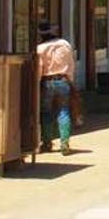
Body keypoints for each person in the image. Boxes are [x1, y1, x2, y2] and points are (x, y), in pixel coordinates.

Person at [36, 23, 75, 154]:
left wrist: (37, 82)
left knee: (46, 112)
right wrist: (70, 80)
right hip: (63, 80)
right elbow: (71, 63)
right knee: (63, 111)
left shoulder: (40, 49)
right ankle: (64, 143)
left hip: (47, 81)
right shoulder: (65, 44)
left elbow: (39, 69)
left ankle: (47, 143)